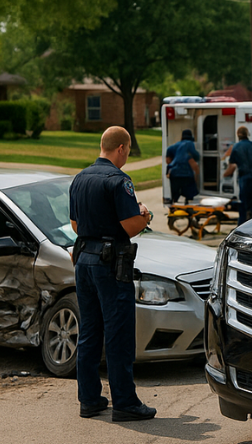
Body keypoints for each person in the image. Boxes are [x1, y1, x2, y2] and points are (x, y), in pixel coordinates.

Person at [69, 126, 156, 422]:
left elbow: (75, 225)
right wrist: (145, 215)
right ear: (121, 148)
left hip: (84, 259)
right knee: (118, 333)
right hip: (110, 264)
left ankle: (89, 400)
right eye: (128, 150)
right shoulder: (119, 181)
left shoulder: (80, 178)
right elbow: (130, 226)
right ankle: (125, 402)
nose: (127, 155)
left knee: (90, 331)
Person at [223, 126, 252, 222]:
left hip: (246, 179)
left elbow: (232, 167)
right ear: (247, 134)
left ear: (238, 135)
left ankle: (243, 224)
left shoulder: (236, 147)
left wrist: (224, 175)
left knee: (245, 205)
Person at [165, 129, 200, 203]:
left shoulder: (174, 146)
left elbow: (168, 157)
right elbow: (196, 156)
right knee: (189, 195)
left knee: (175, 195)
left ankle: (174, 205)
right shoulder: (189, 143)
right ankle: (187, 205)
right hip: (186, 173)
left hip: (174, 173)